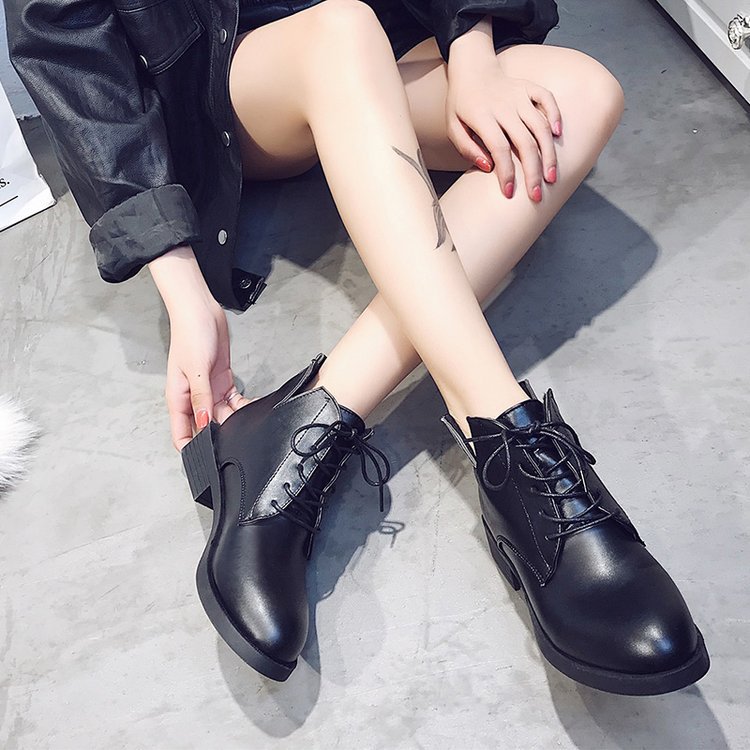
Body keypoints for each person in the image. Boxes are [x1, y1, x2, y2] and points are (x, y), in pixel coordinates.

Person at [5, 0, 709, 694]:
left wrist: (471, 50)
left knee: (581, 92)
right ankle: (509, 434)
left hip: (391, 40)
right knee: (341, 28)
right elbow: (67, 41)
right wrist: (182, 286)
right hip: (236, 80)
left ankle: (302, 422)